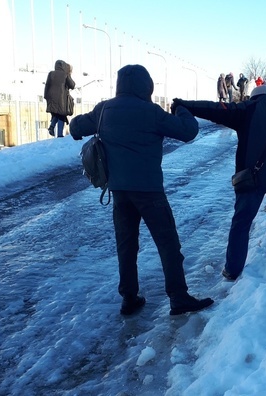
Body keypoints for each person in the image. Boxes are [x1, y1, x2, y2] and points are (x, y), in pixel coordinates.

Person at [69, 64, 214, 316]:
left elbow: (75, 128)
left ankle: (129, 297)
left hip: (119, 192)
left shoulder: (103, 109)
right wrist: (182, 109)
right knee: (167, 244)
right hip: (149, 192)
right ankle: (178, 297)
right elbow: (188, 131)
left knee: (126, 245)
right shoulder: (152, 112)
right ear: (146, 86)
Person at [171, 85, 266, 280]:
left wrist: (186, 105)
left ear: (253, 99)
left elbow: (215, 109)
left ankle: (233, 269)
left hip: (252, 177)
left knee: (242, 222)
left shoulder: (246, 110)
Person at [44, 59, 75, 138]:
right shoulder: (65, 75)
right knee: (61, 114)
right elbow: (72, 85)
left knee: (56, 113)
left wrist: (46, 97)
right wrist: (69, 75)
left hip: (51, 98)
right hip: (62, 99)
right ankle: (60, 134)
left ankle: (52, 126)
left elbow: (47, 86)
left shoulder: (51, 74)